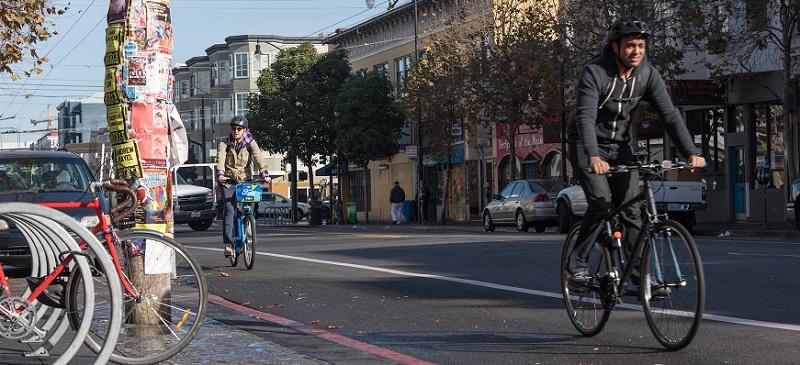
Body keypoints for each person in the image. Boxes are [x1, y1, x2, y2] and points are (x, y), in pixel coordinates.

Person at [565, 16, 706, 290]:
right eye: (630, 45)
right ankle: (577, 267)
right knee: (602, 202)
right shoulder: (594, 73)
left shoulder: (647, 75)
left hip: (620, 146)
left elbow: (670, 115)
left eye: (641, 45)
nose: (636, 52)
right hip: (586, 144)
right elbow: (584, 118)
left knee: (632, 213)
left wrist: (690, 151)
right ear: (615, 46)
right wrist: (594, 155)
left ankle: (640, 278)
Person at [215, 116, 271, 257]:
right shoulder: (224, 143)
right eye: (234, 128)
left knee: (249, 207)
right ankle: (228, 243)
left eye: (239, 129)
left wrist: (265, 174)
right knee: (229, 209)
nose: (236, 131)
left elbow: (258, 158)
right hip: (228, 181)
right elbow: (220, 158)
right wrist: (220, 174)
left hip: (245, 180)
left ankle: (248, 224)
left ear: (245, 130)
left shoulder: (250, 143)